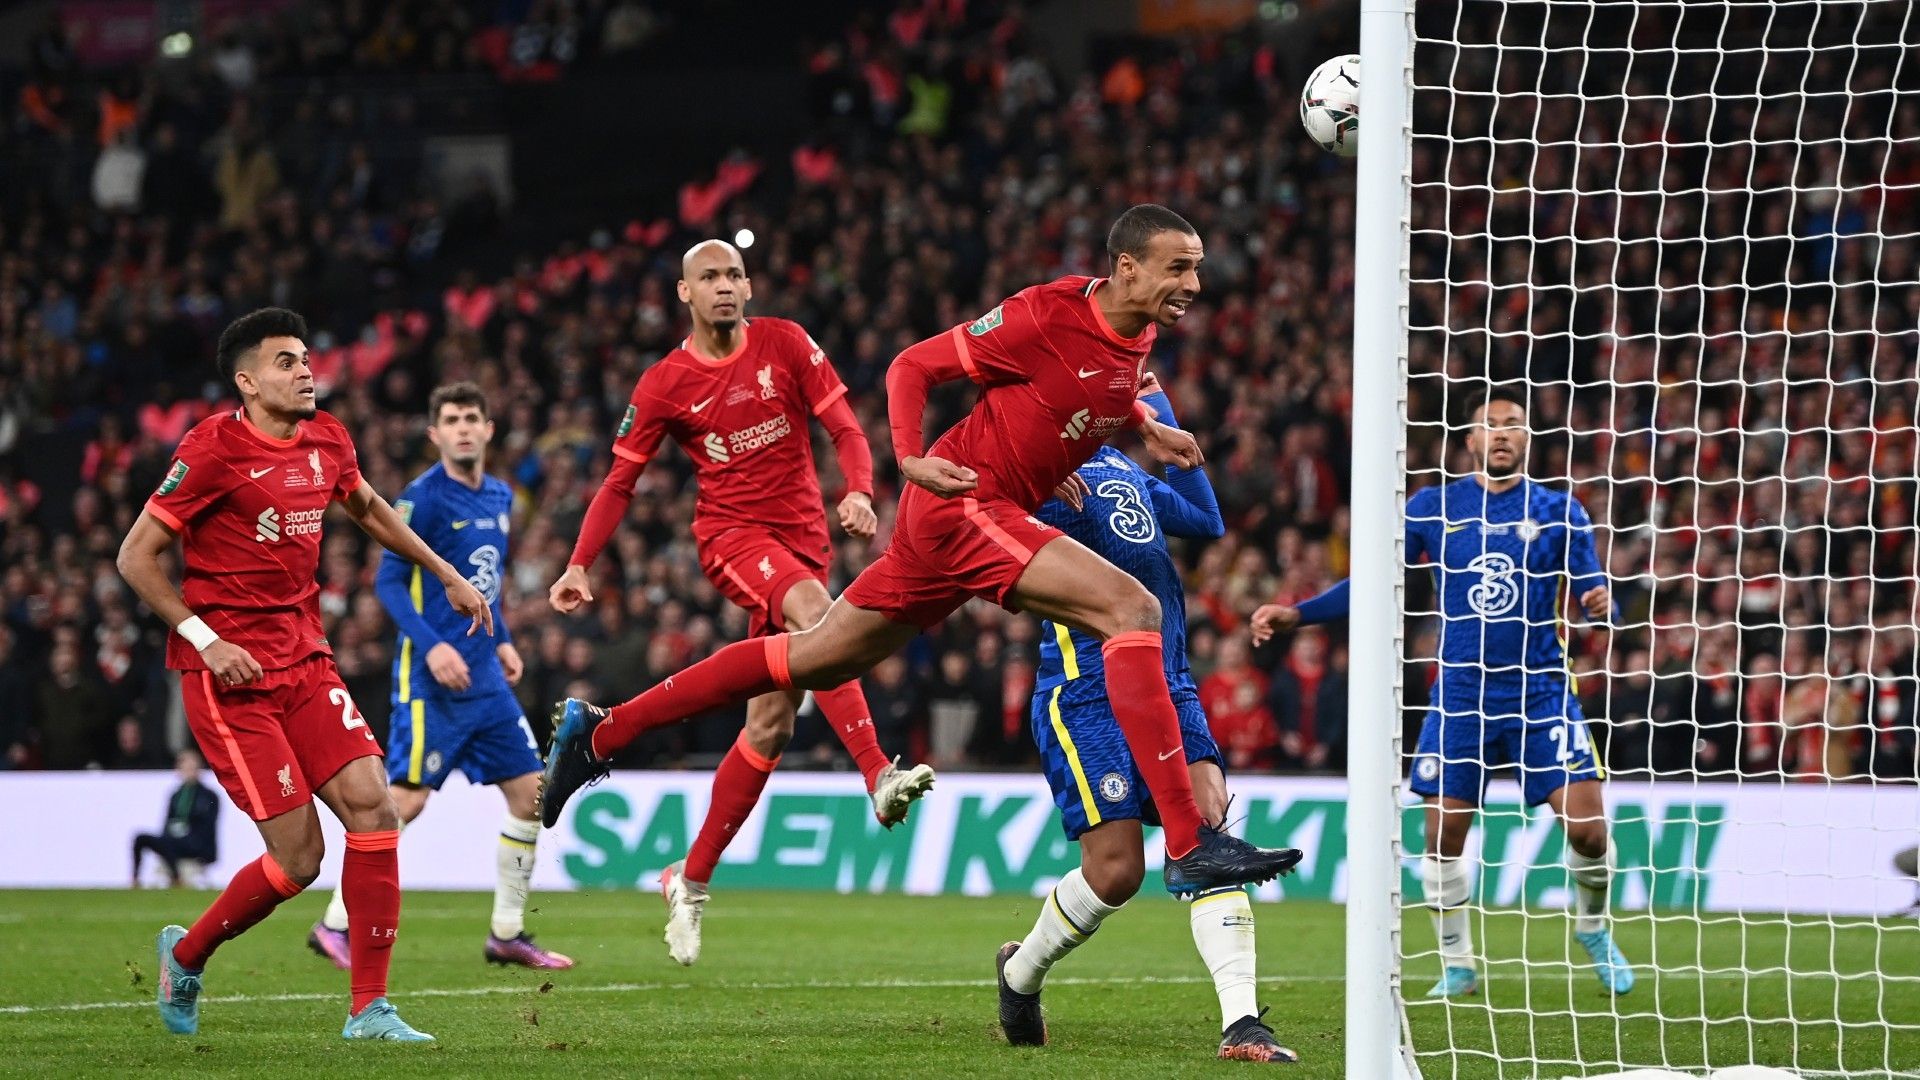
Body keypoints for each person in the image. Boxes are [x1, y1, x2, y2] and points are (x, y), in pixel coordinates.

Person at [543, 204, 1301, 903]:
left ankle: (601, 731)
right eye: (1178, 268)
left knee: (815, 658)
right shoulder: (1043, 313)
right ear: (1127, 268)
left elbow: (1083, 388)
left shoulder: (1138, 331)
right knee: (1131, 610)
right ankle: (1189, 841)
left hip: (964, 519)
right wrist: (907, 458)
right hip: (962, 501)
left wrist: (1142, 424)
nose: (1193, 284)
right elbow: (911, 366)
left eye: (1197, 268)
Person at [546, 239, 935, 965]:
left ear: (749, 286)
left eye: (733, 275)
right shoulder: (665, 383)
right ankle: (876, 773)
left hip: (804, 540)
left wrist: (858, 489)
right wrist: (579, 563)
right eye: (709, 277)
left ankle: (686, 877)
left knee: (770, 726)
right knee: (821, 619)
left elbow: (846, 428)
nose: (723, 286)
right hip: (732, 538)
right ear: (685, 294)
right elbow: (620, 482)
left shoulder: (785, 343)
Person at [116, 307, 492, 1041]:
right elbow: (136, 556)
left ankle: (369, 1009)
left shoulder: (328, 438)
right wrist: (206, 639)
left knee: (374, 808)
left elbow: (369, 508)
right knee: (298, 859)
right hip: (229, 678)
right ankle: (186, 957)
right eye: (285, 362)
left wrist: (444, 571)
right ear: (247, 381)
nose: (305, 371)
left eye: (306, 359)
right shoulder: (212, 448)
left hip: (305, 658)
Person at [1252, 385, 1633, 998]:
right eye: (1491, 424)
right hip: (1461, 695)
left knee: (1589, 830)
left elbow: (1597, 596)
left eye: (1514, 423)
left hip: (1541, 693)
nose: (1503, 432)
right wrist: (1299, 614)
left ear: (1527, 438)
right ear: (1471, 440)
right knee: (1443, 836)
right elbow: (1375, 579)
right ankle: (1457, 963)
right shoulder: (1434, 507)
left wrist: (1601, 607)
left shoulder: (1560, 510)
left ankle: (1593, 927)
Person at [998, 373, 1301, 1062]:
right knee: (1116, 873)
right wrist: (1027, 484)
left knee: (1208, 827)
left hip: (1170, 681)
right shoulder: (1035, 469)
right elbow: (984, 520)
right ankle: (1020, 973)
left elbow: (1207, 522)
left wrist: (1173, 441)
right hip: (1086, 691)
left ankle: (1242, 1024)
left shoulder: (1125, 469)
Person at [308, 382, 572, 972]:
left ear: (489, 429)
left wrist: (502, 639)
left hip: (485, 677)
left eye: (472, 418)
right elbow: (387, 582)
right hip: (431, 679)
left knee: (530, 795)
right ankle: (334, 923)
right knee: (406, 800)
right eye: (451, 420)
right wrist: (431, 649)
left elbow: (487, 583)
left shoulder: (501, 495)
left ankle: (507, 933)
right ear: (435, 434)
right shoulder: (421, 499)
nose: (463, 428)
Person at [132, 750, 220, 888]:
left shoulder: (209, 796)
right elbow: (167, 822)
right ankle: (135, 879)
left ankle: (176, 878)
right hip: (173, 841)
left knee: (169, 842)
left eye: (192, 768)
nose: (188, 771)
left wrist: (185, 833)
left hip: (196, 843)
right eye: (185, 768)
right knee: (141, 838)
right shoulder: (176, 795)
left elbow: (208, 826)